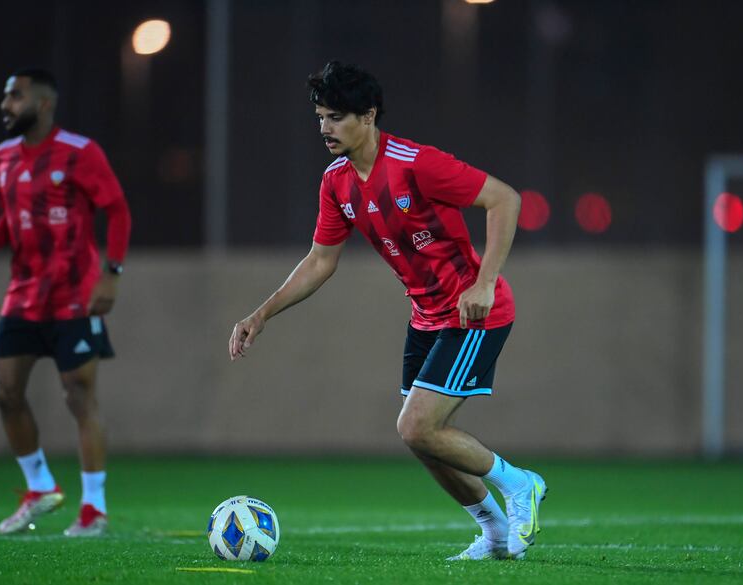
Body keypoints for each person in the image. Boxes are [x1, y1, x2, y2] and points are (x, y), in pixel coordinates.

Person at [229, 61, 547, 560]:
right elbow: (319, 261)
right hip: (425, 317)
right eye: (319, 117)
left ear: (369, 115)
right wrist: (262, 313)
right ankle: (497, 536)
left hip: (472, 312)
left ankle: (520, 484)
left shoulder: (415, 163)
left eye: (335, 117)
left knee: (416, 426)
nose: (324, 128)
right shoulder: (336, 181)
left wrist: (484, 283)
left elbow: (504, 199)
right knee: (422, 439)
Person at [0, 68, 131, 537]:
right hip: (23, 296)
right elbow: (12, 217)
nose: (5, 105)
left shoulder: (80, 153)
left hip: (74, 297)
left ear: (42, 104)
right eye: (4, 96)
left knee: (79, 395)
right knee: (4, 391)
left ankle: (93, 508)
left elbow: (117, 209)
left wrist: (111, 274)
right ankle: (39, 487)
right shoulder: (2, 157)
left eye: (14, 97)